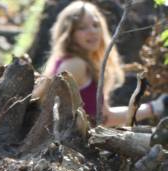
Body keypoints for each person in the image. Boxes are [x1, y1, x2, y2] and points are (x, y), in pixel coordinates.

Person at [35, 1, 167, 126]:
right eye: (82, 27)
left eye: (95, 25)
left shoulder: (78, 62)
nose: (92, 31)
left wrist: (155, 107)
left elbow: (105, 117)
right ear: (69, 33)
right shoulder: (75, 65)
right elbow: (49, 117)